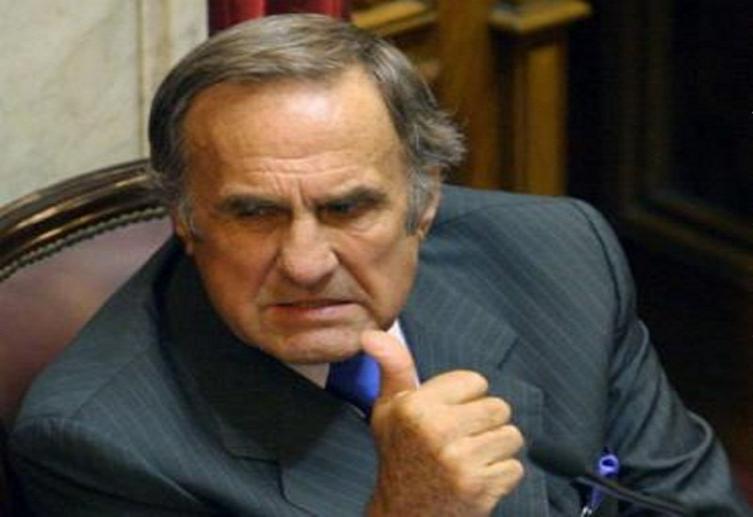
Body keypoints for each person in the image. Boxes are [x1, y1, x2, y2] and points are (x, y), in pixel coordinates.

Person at [9, 13, 752, 516]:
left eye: (345, 208)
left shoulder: (555, 252)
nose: (305, 263)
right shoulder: (97, 442)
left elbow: (691, 503)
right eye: (254, 213)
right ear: (186, 219)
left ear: (423, 203)